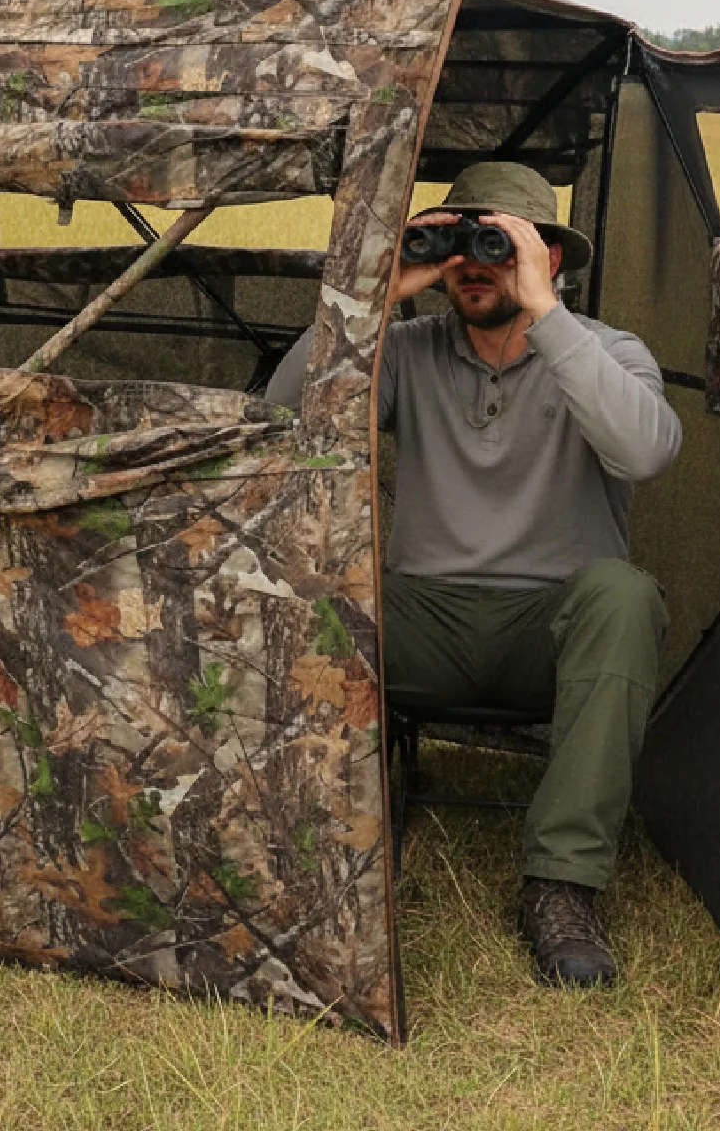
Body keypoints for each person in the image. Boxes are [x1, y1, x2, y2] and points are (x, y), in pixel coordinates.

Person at [266, 161, 681, 986]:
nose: (477, 263)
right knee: (306, 588)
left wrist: (547, 316)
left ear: (550, 256)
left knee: (625, 596)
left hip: (554, 629)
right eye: (462, 245)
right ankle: (310, 840)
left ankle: (561, 886)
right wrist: (374, 302)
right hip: (425, 619)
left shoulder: (606, 351)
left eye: (501, 244)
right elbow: (286, 418)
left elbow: (645, 451)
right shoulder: (408, 350)